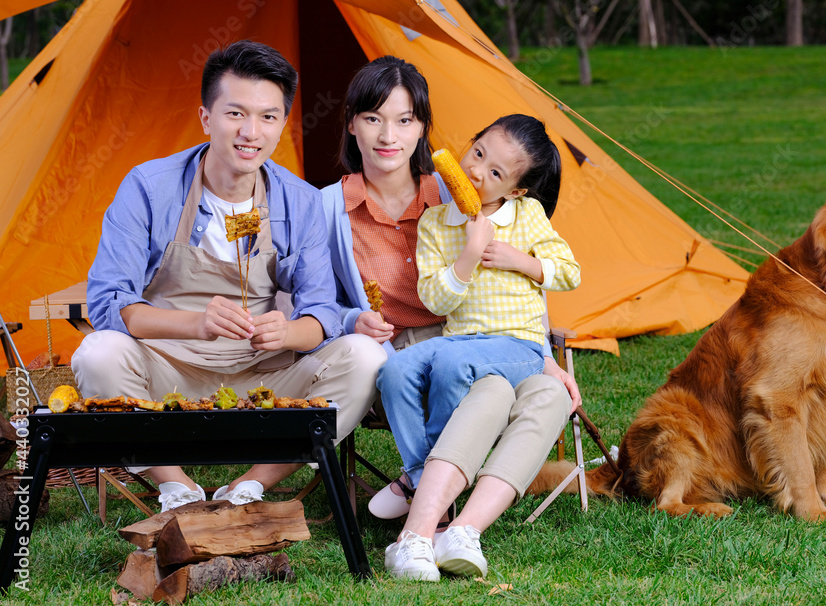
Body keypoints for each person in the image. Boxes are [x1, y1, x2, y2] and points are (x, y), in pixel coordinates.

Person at [71, 40, 387, 512]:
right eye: (235, 113)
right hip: (166, 369)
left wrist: (288, 332)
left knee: (364, 357)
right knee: (96, 354)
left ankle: (253, 483)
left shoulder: (297, 201)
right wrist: (196, 325)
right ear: (205, 118)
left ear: (283, 123)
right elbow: (107, 301)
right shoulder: (148, 187)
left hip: (260, 373)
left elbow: (320, 309)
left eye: (267, 116)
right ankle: (174, 485)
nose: (250, 132)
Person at [320, 60, 580, 557]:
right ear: (351, 121)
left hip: (493, 341)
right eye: (373, 118)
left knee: (548, 395)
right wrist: (352, 319)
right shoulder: (333, 209)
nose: (388, 136)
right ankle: (429, 502)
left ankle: (459, 528)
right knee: (472, 384)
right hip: (409, 346)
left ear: (422, 128)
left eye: (405, 120)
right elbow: (315, 298)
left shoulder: (480, 201)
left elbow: (536, 283)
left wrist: (546, 355)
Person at [378, 113, 582, 581]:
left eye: (495, 173)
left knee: (450, 359)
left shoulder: (527, 218)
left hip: (519, 347)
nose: (476, 171)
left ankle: (431, 514)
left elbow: (570, 272)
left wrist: (520, 261)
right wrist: (468, 255)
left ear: (515, 191)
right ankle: (421, 478)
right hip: (461, 340)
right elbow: (435, 298)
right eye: (478, 153)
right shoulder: (436, 223)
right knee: (395, 371)